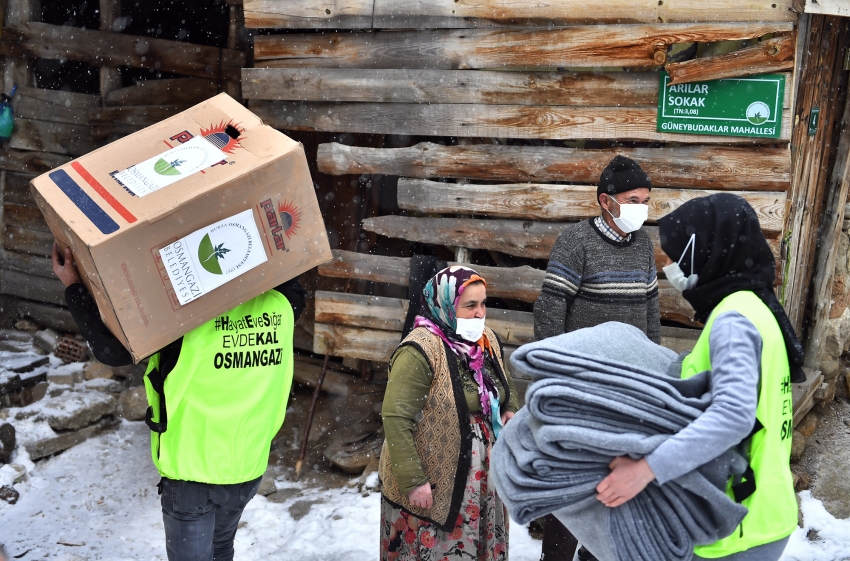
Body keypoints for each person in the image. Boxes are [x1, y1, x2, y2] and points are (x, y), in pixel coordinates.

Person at [51, 243, 306, 561]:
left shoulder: (178, 316)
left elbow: (112, 350)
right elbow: (291, 274)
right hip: (247, 464)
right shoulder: (285, 303)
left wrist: (74, 287)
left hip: (192, 472)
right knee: (222, 547)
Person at [595, 193, 803, 561]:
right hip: (763, 510)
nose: (672, 268)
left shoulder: (733, 320)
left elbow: (733, 417)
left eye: (677, 257)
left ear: (708, 250)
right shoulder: (755, 306)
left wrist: (645, 470)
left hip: (735, 525)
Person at [532, 155, 661, 561]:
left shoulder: (642, 245)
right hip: (582, 388)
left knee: (614, 489)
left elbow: (651, 310)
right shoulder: (577, 242)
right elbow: (550, 308)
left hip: (628, 393)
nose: (642, 208)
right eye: (633, 199)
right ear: (606, 201)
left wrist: (655, 374)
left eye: (646, 200)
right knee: (576, 486)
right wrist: (555, 377)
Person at [379, 266, 519, 561]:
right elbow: (396, 417)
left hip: (481, 476)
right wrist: (413, 480)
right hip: (433, 473)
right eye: (470, 305)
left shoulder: (487, 341)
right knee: (435, 545)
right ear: (445, 306)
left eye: (483, 304)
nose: (480, 313)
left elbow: (502, 383)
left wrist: (508, 408)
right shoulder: (419, 350)